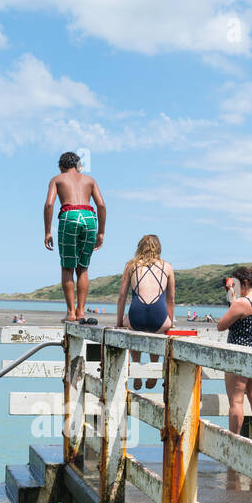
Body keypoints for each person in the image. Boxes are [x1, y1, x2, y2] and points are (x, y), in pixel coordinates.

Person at [44, 151, 106, 322]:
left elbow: (49, 204)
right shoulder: (90, 180)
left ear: (61, 167)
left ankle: (71, 313)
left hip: (69, 215)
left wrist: (48, 231)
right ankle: (81, 312)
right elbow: (101, 205)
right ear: (78, 167)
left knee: (67, 267)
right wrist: (101, 232)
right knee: (83, 268)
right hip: (89, 217)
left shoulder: (57, 179)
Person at [116, 234, 175, 389]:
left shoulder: (131, 265)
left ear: (139, 247)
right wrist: (170, 321)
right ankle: (154, 369)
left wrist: (119, 322)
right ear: (159, 248)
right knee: (155, 333)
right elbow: (171, 300)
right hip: (159, 318)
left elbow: (122, 296)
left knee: (134, 330)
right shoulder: (167, 267)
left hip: (136, 317)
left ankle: (136, 370)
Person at [217, 266, 252, 437]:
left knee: (236, 401)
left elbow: (221, 325)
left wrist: (232, 296)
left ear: (244, 283)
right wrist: (231, 292)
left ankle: (234, 441)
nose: (234, 288)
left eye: (236, 284)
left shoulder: (242, 303)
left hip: (238, 356)